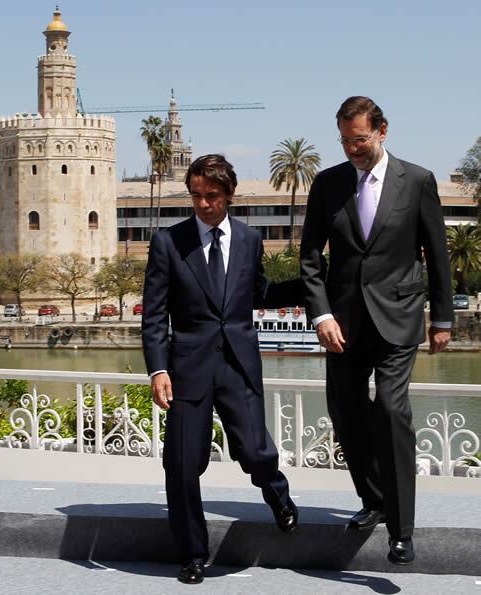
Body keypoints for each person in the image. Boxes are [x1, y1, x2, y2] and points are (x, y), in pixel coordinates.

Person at [300, 97, 453, 565]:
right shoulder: (326, 185)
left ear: (382, 130)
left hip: (399, 316)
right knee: (344, 411)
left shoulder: (418, 180)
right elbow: (310, 258)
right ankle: (374, 501)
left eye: (359, 139)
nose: (352, 149)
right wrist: (321, 315)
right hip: (343, 322)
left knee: (390, 409)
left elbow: (437, 253)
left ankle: (401, 529)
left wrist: (443, 318)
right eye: (344, 141)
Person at [142, 154, 299, 585]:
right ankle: (193, 554)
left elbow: (259, 293)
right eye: (196, 195)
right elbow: (154, 315)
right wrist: (158, 370)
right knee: (182, 464)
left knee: (254, 450)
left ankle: (277, 494)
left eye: (211, 196)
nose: (203, 204)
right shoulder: (168, 243)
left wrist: (310, 284)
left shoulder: (250, 239)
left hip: (238, 362)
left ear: (229, 195)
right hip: (188, 368)